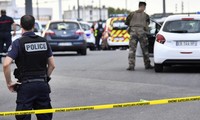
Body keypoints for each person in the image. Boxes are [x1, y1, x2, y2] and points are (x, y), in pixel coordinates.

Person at [3, 15, 55, 120]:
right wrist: (45, 78)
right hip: (42, 86)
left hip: (25, 86)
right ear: (34, 24)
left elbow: (6, 64)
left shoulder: (18, 43)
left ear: (21, 25)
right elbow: (52, 65)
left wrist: (9, 82)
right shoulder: (44, 42)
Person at [125, 2, 153, 71]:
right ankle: (147, 64)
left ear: (139, 6)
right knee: (145, 49)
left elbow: (126, 22)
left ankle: (131, 65)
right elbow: (147, 25)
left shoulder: (131, 14)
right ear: (144, 7)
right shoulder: (146, 15)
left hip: (133, 32)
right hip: (142, 33)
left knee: (132, 49)